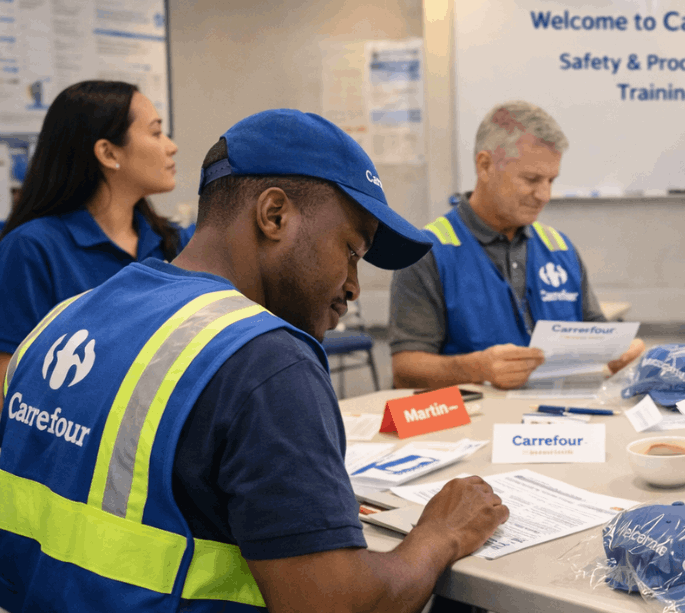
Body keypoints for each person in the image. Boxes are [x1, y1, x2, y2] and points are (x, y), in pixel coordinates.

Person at [0, 109, 508, 612]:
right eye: (351, 252)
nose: (354, 286)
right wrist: (441, 533)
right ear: (274, 215)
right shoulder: (266, 362)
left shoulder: (64, 320)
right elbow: (338, 606)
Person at [389, 100, 642, 390]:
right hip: (475, 416)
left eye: (551, 180)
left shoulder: (559, 248)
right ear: (485, 165)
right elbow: (405, 370)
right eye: (532, 179)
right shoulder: (427, 253)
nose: (544, 195)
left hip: (564, 412)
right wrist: (476, 368)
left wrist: (621, 352)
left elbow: (596, 332)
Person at [0, 80, 190, 379]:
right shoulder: (32, 248)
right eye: (156, 133)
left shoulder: (175, 241)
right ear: (108, 153)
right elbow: (8, 378)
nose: (171, 146)